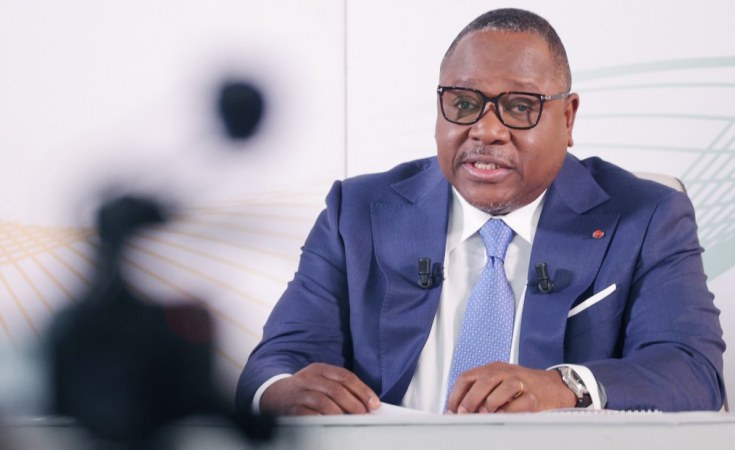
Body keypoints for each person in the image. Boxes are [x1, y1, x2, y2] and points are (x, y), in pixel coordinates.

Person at [236, 8, 726, 415]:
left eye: (520, 107)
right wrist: (280, 392)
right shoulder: (359, 212)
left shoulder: (646, 216)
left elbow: (693, 371)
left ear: (568, 117)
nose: (486, 130)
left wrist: (564, 386)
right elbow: (277, 362)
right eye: (464, 103)